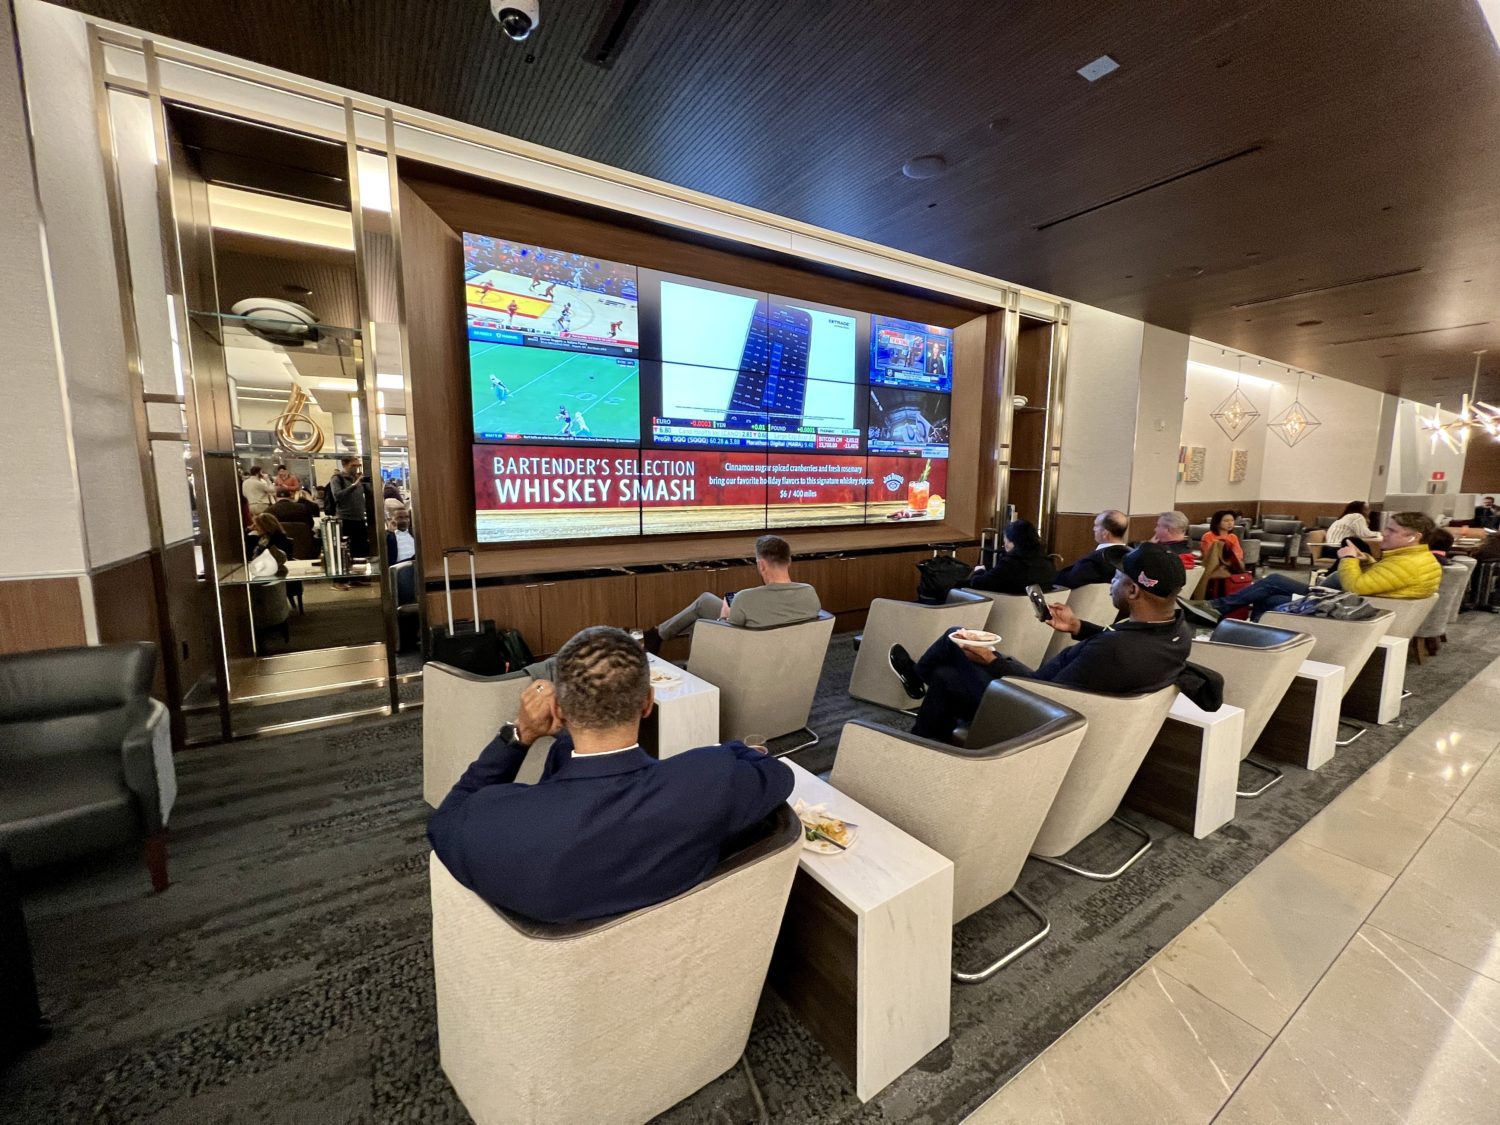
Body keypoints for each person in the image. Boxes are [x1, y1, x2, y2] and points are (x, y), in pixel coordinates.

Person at [427, 627, 794, 923]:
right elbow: (776, 774)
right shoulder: (708, 781)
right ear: (648, 702)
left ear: (559, 709)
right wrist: (729, 752)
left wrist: (518, 735)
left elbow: (446, 818)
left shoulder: (493, 826)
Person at [888, 544, 1197, 744]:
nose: (1112, 583)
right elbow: (1117, 643)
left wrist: (992, 660)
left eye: (1117, 578)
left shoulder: (1114, 650)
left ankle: (918, 705)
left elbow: (1040, 694)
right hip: (1071, 708)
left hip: (1038, 717)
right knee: (950, 668)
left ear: (1133, 592)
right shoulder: (1176, 632)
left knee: (953, 647)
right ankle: (926, 736)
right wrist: (1077, 627)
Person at [1197, 510, 1442, 621]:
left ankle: (1217, 609)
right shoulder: (1415, 559)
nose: (1384, 534)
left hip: (1345, 608)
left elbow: (1357, 585)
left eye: (1392, 531)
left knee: (1270, 590)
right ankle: (1222, 612)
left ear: (1413, 537)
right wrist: (1365, 559)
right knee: (1270, 586)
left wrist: (1347, 558)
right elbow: (1383, 577)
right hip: (1348, 602)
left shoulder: (1409, 563)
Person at [644, 534, 820, 653]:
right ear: (789, 562)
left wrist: (724, 618)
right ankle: (656, 635)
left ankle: (689, 665)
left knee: (701, 621)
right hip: (785, 655)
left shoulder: (746, 599)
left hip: (749, 657)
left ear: (762, 565)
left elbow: (728, 642)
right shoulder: (809, 593)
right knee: (706, 601)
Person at [967, 519, 1057, 594]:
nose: (1004, 544)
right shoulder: (1048, 565)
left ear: (1013, 542)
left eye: (1006, 541)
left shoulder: (1009, 565)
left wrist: (979, 571)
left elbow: (977, 583)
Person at [1055, 510, 1129, 588]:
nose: (1094, 529)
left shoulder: (1094, 562)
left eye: (1096, 525)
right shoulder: (1132, 558)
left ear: (1105, 533)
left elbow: (1067, 581)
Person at [329, 456, 374, 559]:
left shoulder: (357, 478)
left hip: (360, 519)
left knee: (362, 550)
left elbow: (370, 494)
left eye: (358, 465)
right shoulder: (337, 478)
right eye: (353, 465)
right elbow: (337, 495)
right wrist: (354, 485)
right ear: (345, 465)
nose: (356, 468)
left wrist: (368, 484)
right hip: (345, 519)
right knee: (349, 551)